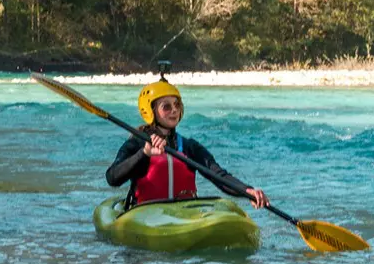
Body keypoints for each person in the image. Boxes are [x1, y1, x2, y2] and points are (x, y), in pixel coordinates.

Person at [106, 76, 270, 211]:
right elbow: (112, 177)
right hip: (145, 214)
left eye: (177, 104)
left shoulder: (189, 147)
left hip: (185, 214)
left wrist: (246, 190)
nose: (174, 110)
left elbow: (218, 176)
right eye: (166, 107)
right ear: (151, 111)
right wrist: (144, 154)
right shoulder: (137, 143)